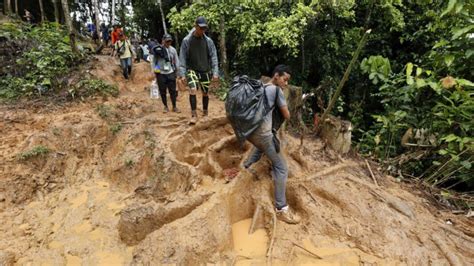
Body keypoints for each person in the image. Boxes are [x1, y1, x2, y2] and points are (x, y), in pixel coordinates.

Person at [242, 65, 301, 224]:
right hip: (264, 135)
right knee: (282, 168)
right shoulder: (277, 91)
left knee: (261, 146)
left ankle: (245, 168)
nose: (286, 83)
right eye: (285, 79)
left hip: (251, 132)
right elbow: (287, 115)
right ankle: (281, 208)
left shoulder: (261, 86)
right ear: (276, 76)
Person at [178, 16, 219, 124]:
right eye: (201, 28)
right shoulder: (186, 41)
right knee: (192, 90)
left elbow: (214, 56)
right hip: (192, 69)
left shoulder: (208, 41)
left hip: (205, 70)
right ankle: (194, 115)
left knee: (205, 93)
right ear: (195, 26)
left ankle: (205, 113)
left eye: (204, 28)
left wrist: (215, 73)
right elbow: (182, 58)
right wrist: (182, 75)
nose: (202, 30)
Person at [153, 34, 181, 113]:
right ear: (163, 41)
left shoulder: (173, 50)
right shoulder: (158, 50)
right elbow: (154, 61)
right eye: (167, 41)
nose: (168, 43)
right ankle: (165, 106)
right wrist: (154, 71)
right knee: (162, 91)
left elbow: (177, 60)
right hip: (160, 73)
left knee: (172, 91)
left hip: (170, 72)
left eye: (170, 41)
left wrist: (178, 72)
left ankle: (174, 106)